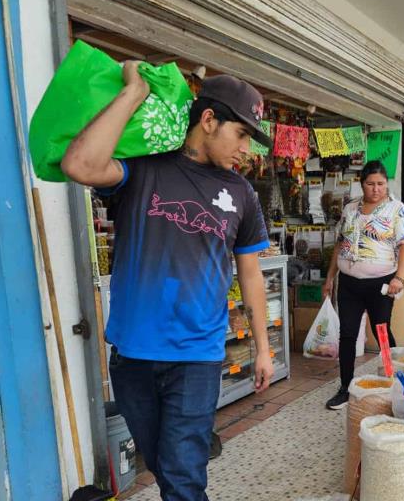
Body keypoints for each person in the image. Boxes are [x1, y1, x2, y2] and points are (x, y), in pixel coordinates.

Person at [61, 65, 275, 501]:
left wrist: (264, 348)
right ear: (208, 120)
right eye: (241, 133)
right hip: (132, 353)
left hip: (196, 355)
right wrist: (134, 93)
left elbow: (250, 275)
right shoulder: (144, 168)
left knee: (182, 476)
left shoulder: (241, 194)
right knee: (163, 466)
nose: (246, 149)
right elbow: (79, 164)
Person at [322, 161, 404, 410]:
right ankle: (345, 387)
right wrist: (330, 278)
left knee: (381, 331)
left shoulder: (397, 210)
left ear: (387, 185)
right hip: (349, 283)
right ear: (362, 183)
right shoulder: (350, 208)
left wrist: (399, 278)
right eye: (371, 184)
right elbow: (340, 244)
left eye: (381, 184)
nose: (376, 189)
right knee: (348, 334)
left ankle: (397, 382)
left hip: (381, 283)